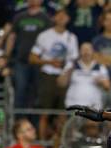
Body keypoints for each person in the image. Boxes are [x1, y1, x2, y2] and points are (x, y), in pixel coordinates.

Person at [29, 8, 79, 140]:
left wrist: (65, 75)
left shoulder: (71, 38)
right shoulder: (44, 36)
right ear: (54, 18)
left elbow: (73, 60)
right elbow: (33, 58)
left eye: (65, 16)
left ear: (68, 19)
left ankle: (60, 146)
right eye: (59, 15)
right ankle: (42, 144)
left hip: (64, 77)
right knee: (44, 113)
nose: (62, 18)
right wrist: (50, 62)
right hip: (47, 76)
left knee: (62, 114)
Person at [0, 0, 51, 109]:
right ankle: (18, 119)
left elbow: (49, 39)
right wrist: (6, 55)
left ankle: (33, 121)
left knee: (37, 91)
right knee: (20, 89)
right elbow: (12, 37)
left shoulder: (45, 18)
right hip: (21, 59)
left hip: (39, 61)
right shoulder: (19, 17)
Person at [60, 42, 111, 110]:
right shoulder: (71, 65)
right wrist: (69, 72)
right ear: (79, 51)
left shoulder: (100, 67)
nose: (86, 52)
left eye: (88, 49)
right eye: (83, 50)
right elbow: (61, 84)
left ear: (93, 51)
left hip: (94, 106)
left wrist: (101, 82)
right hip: (73, 105)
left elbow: (108, 87)